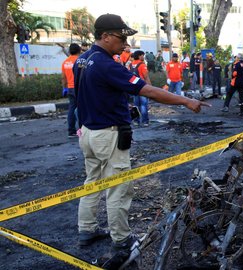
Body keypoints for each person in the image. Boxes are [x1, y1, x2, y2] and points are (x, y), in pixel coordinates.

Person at [73, 14, 210, 263]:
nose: (125, 44)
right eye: (120, 37)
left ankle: (87, 229)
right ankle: (122, 241)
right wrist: (186, 101)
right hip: (108, 135)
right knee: (118, 188)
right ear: (104, 36)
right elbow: (146, 90)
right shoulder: (107, 65)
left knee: (92, 181)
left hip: (88, 133)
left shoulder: (83, 60)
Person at [61, 43, 82, 138]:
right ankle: (83, 129)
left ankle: (71, 131)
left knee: (72, 109)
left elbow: (63, 77)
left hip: (69, 88)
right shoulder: (80, 61)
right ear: (79, 50)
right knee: (82, 108)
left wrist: (64, 88)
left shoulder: (65, 62)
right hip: (79, 88)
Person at [130, 50, 151, 127]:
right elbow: (146, 77)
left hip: (134, 87)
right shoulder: (142, 65)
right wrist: (150, 87)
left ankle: (136, 121)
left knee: (136, 105)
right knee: (143, 105)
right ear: (139, 56)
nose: (143, 56)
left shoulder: (131, 65)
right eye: (142, 55)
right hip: (142, 87)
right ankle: (145, 122)